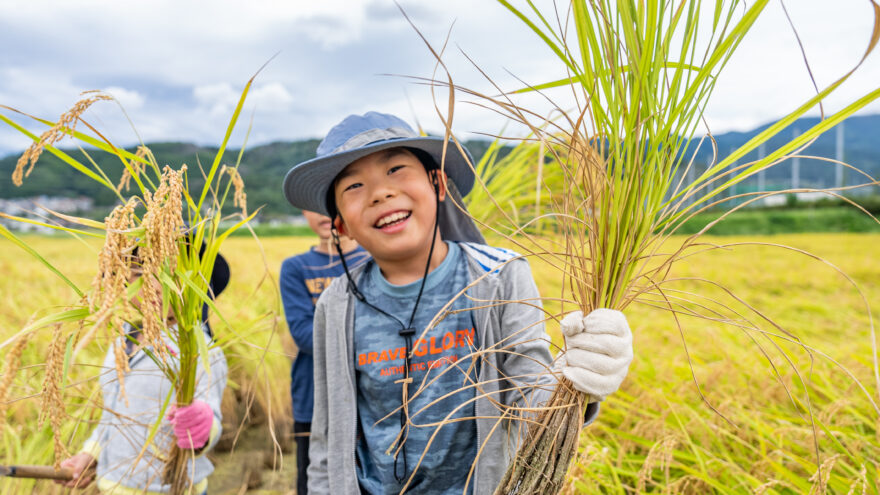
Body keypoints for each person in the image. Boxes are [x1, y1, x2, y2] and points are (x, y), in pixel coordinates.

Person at [282, 111, 634, 494]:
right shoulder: (337, 304)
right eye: (354, 186)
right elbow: (328, 433)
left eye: (396, 169)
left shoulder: (498, 277)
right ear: (342, 227)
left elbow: (529, 394)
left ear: (438, 184)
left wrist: (576, 378)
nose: (380, 192)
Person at [57, 248, 230, 494]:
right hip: (113, 484)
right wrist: (91, 454)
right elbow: (114, 412)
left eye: (169, 275)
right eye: (139, 274)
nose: (153, 286)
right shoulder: (122, 340)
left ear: (195, 283)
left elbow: (209, 422)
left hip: (170, 488)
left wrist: (201, 426)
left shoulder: (202, 352)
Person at [280, 209, 368, 495]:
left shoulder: (374, 259)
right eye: (312, 204)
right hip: (314, 400)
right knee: (315, 483)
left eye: (328, 201)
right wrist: (370, 337)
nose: (322, 212)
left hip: (372, 397)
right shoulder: (296, 268)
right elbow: (305, 336)